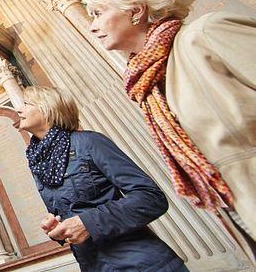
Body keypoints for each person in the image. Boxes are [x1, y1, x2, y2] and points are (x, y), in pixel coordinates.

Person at [82, 0, 256, 239]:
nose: (92, 27)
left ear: (136, 10)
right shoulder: (148, 84)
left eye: (98, 14)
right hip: (237, 208)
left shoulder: (205, 35)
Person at [16, 85, 186, 271]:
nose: (19, 109)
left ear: (47, 108)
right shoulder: (38, 161)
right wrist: (57, 228)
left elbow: (151, 198)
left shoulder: (89, 142)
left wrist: (88, 223)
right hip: (93, 265)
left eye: (26, 104)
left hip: (141, 264)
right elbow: (74, 213)